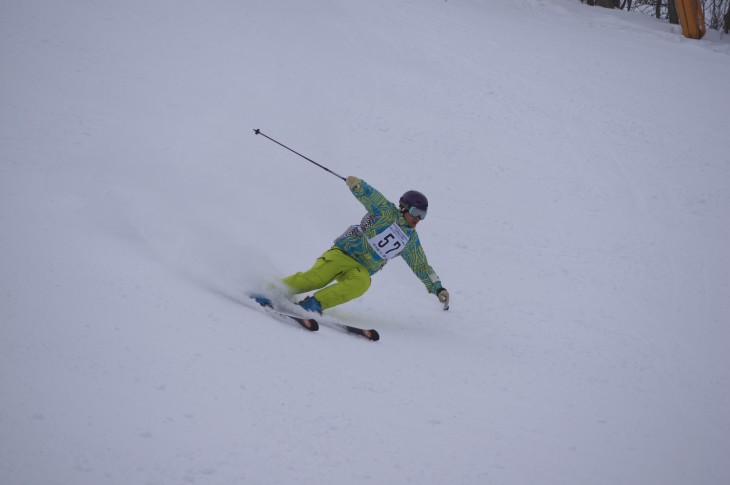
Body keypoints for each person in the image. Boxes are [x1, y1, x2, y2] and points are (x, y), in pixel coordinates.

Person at [257, 176, 449, 315]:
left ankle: (314, 305)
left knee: (362, 283)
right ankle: (271, 290)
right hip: (344, 253)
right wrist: (357, 185)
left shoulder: (411, 241)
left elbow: (421, 266)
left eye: (423, 215)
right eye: (416, 212)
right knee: (317, 278)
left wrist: (438, 288)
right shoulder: (386, 212)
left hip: (361, 269)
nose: (418, 219)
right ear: (405, 207)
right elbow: (371, 196)